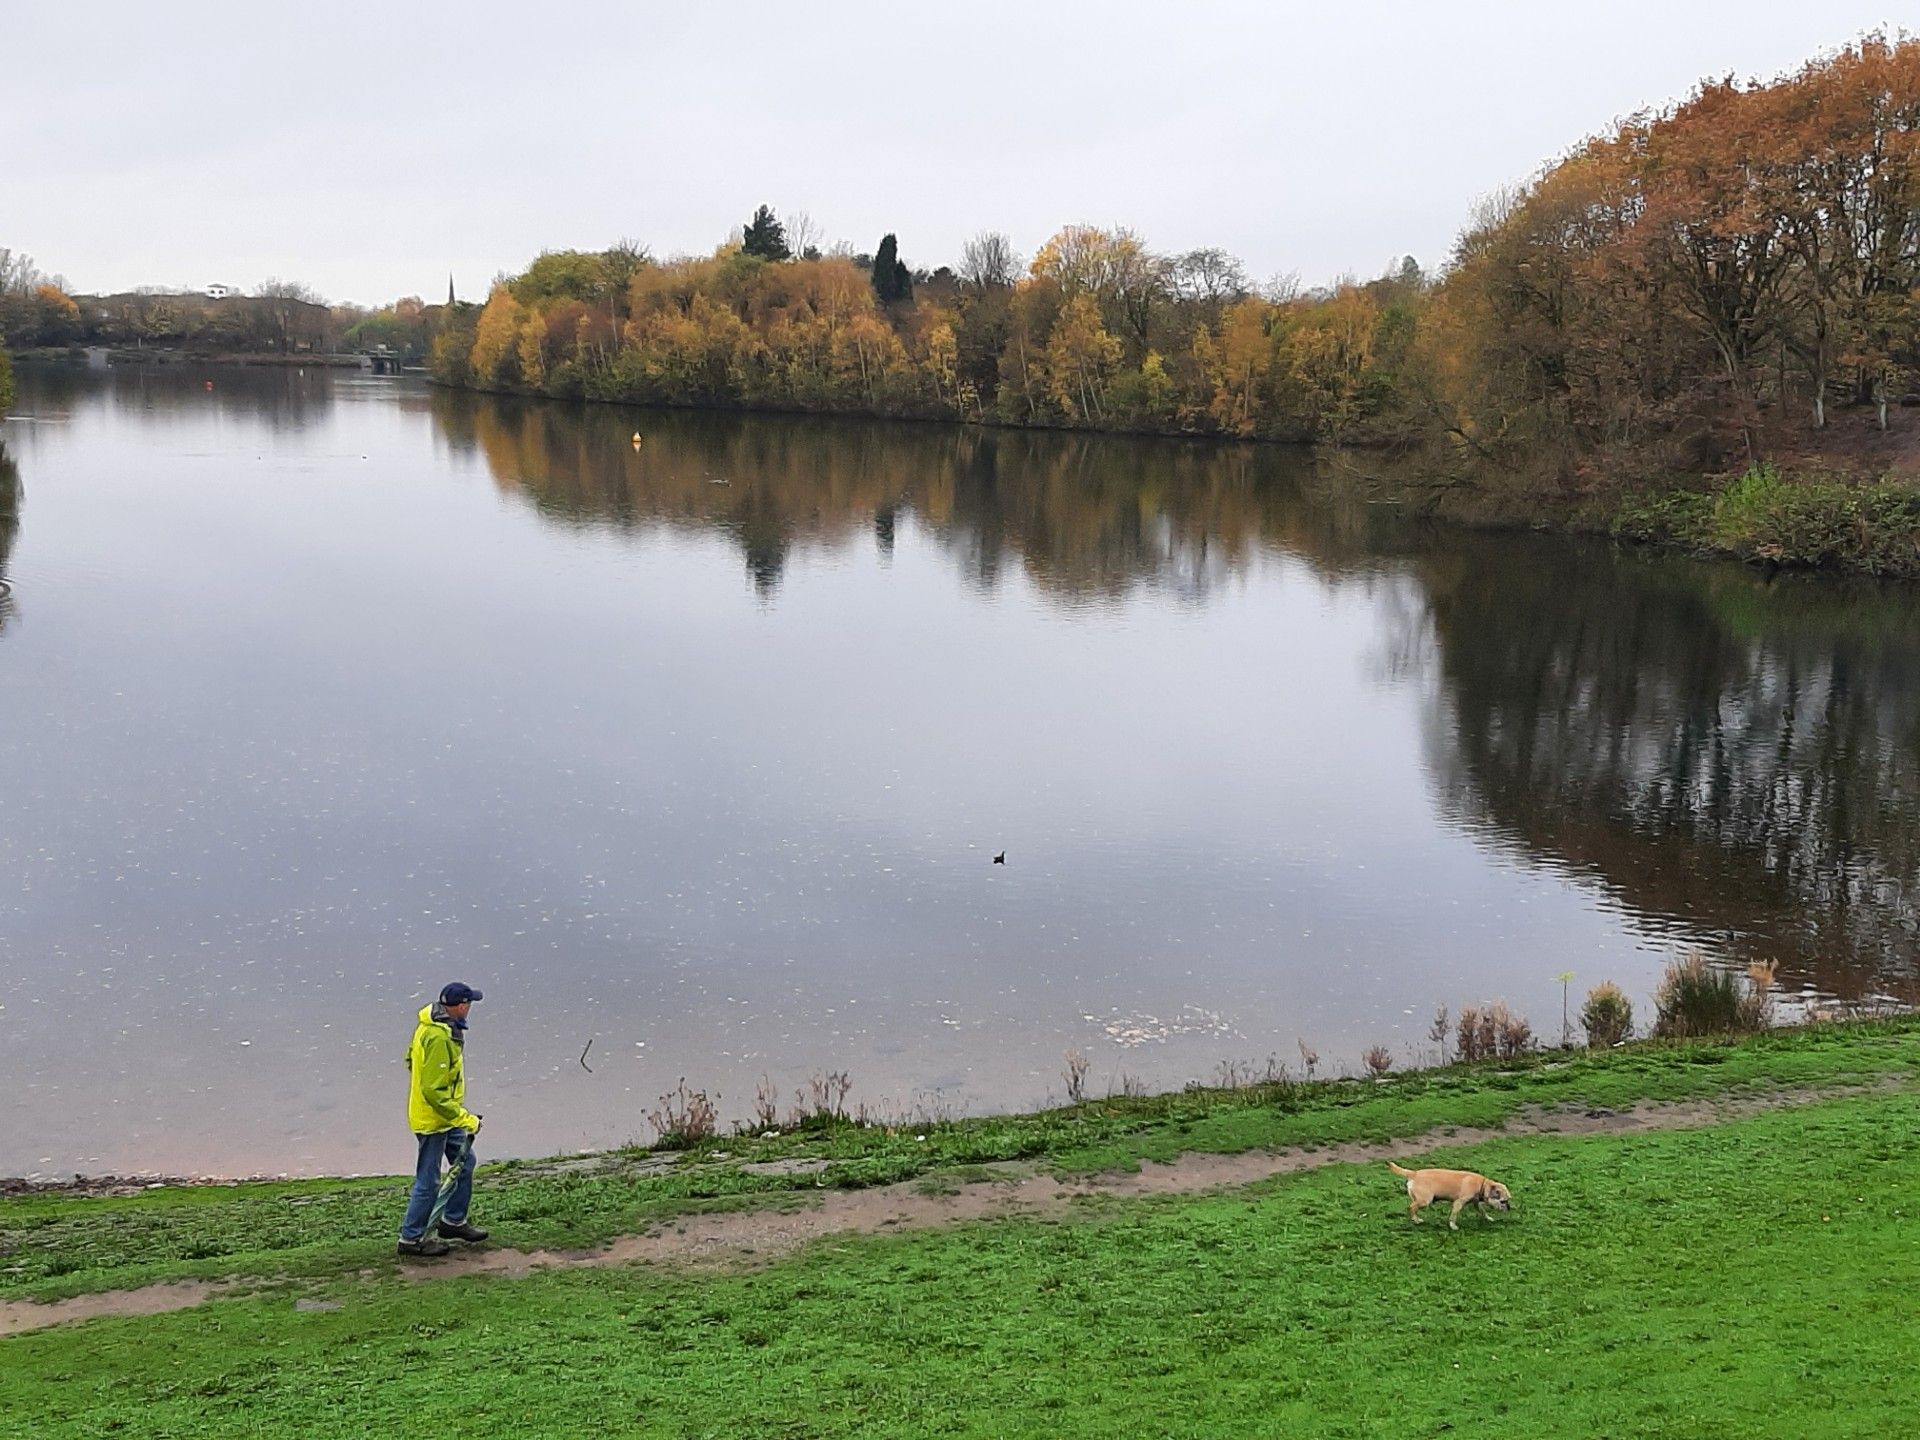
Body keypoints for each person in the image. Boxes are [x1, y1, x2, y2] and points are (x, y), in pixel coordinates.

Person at [397, 981, 489, 1257]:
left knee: (466, 1162)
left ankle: (452, 1222)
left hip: (445, 1116)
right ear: (461, 1006)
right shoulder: (438, 1036)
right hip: (433, 1120)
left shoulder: (437, 1027)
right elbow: (433, 1091)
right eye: (469, 1003)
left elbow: (410, 1060)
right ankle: (410, 1239)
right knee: (429, 1180)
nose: (470, 1008)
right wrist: (466, 1119)